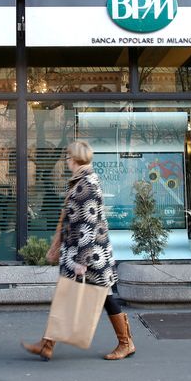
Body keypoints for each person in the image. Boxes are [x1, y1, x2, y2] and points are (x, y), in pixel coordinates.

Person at [22, 139, 135, 361]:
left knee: (104, 297)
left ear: (73, 159)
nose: (65, 161)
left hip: (88, 254)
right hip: (82, 252)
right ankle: (47, 344)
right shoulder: (82, 180)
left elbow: (88, 224)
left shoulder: (86, 185)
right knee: (70, 295)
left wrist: (82, 260)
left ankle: (126, 342)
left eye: (67, 157)